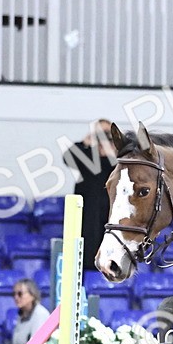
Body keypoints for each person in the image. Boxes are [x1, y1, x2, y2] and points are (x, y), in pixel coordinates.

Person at [63, 120, 115, 280]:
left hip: (109, 216)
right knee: (85, 251)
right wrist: (86, 142)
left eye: (107, 133)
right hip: (87, 216)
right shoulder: (87, 158)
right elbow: (68, 158)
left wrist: (112, 147)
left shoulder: (117, 158)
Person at [11, 278, 50, 344]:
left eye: (20, 294)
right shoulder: (21, 315)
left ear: (32, 295)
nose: (16, 297)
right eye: (14, 294)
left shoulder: (40, 314)